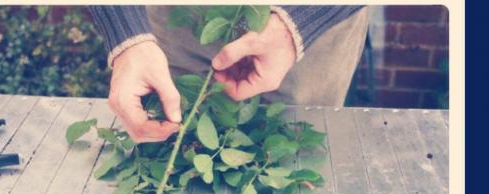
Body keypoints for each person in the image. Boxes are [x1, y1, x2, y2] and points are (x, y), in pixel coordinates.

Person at [89, 5, 369, 143]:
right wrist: (127, 36)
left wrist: (298, 25)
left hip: (310, 23)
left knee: (293, 149)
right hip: (181, 17)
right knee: (175, 138)